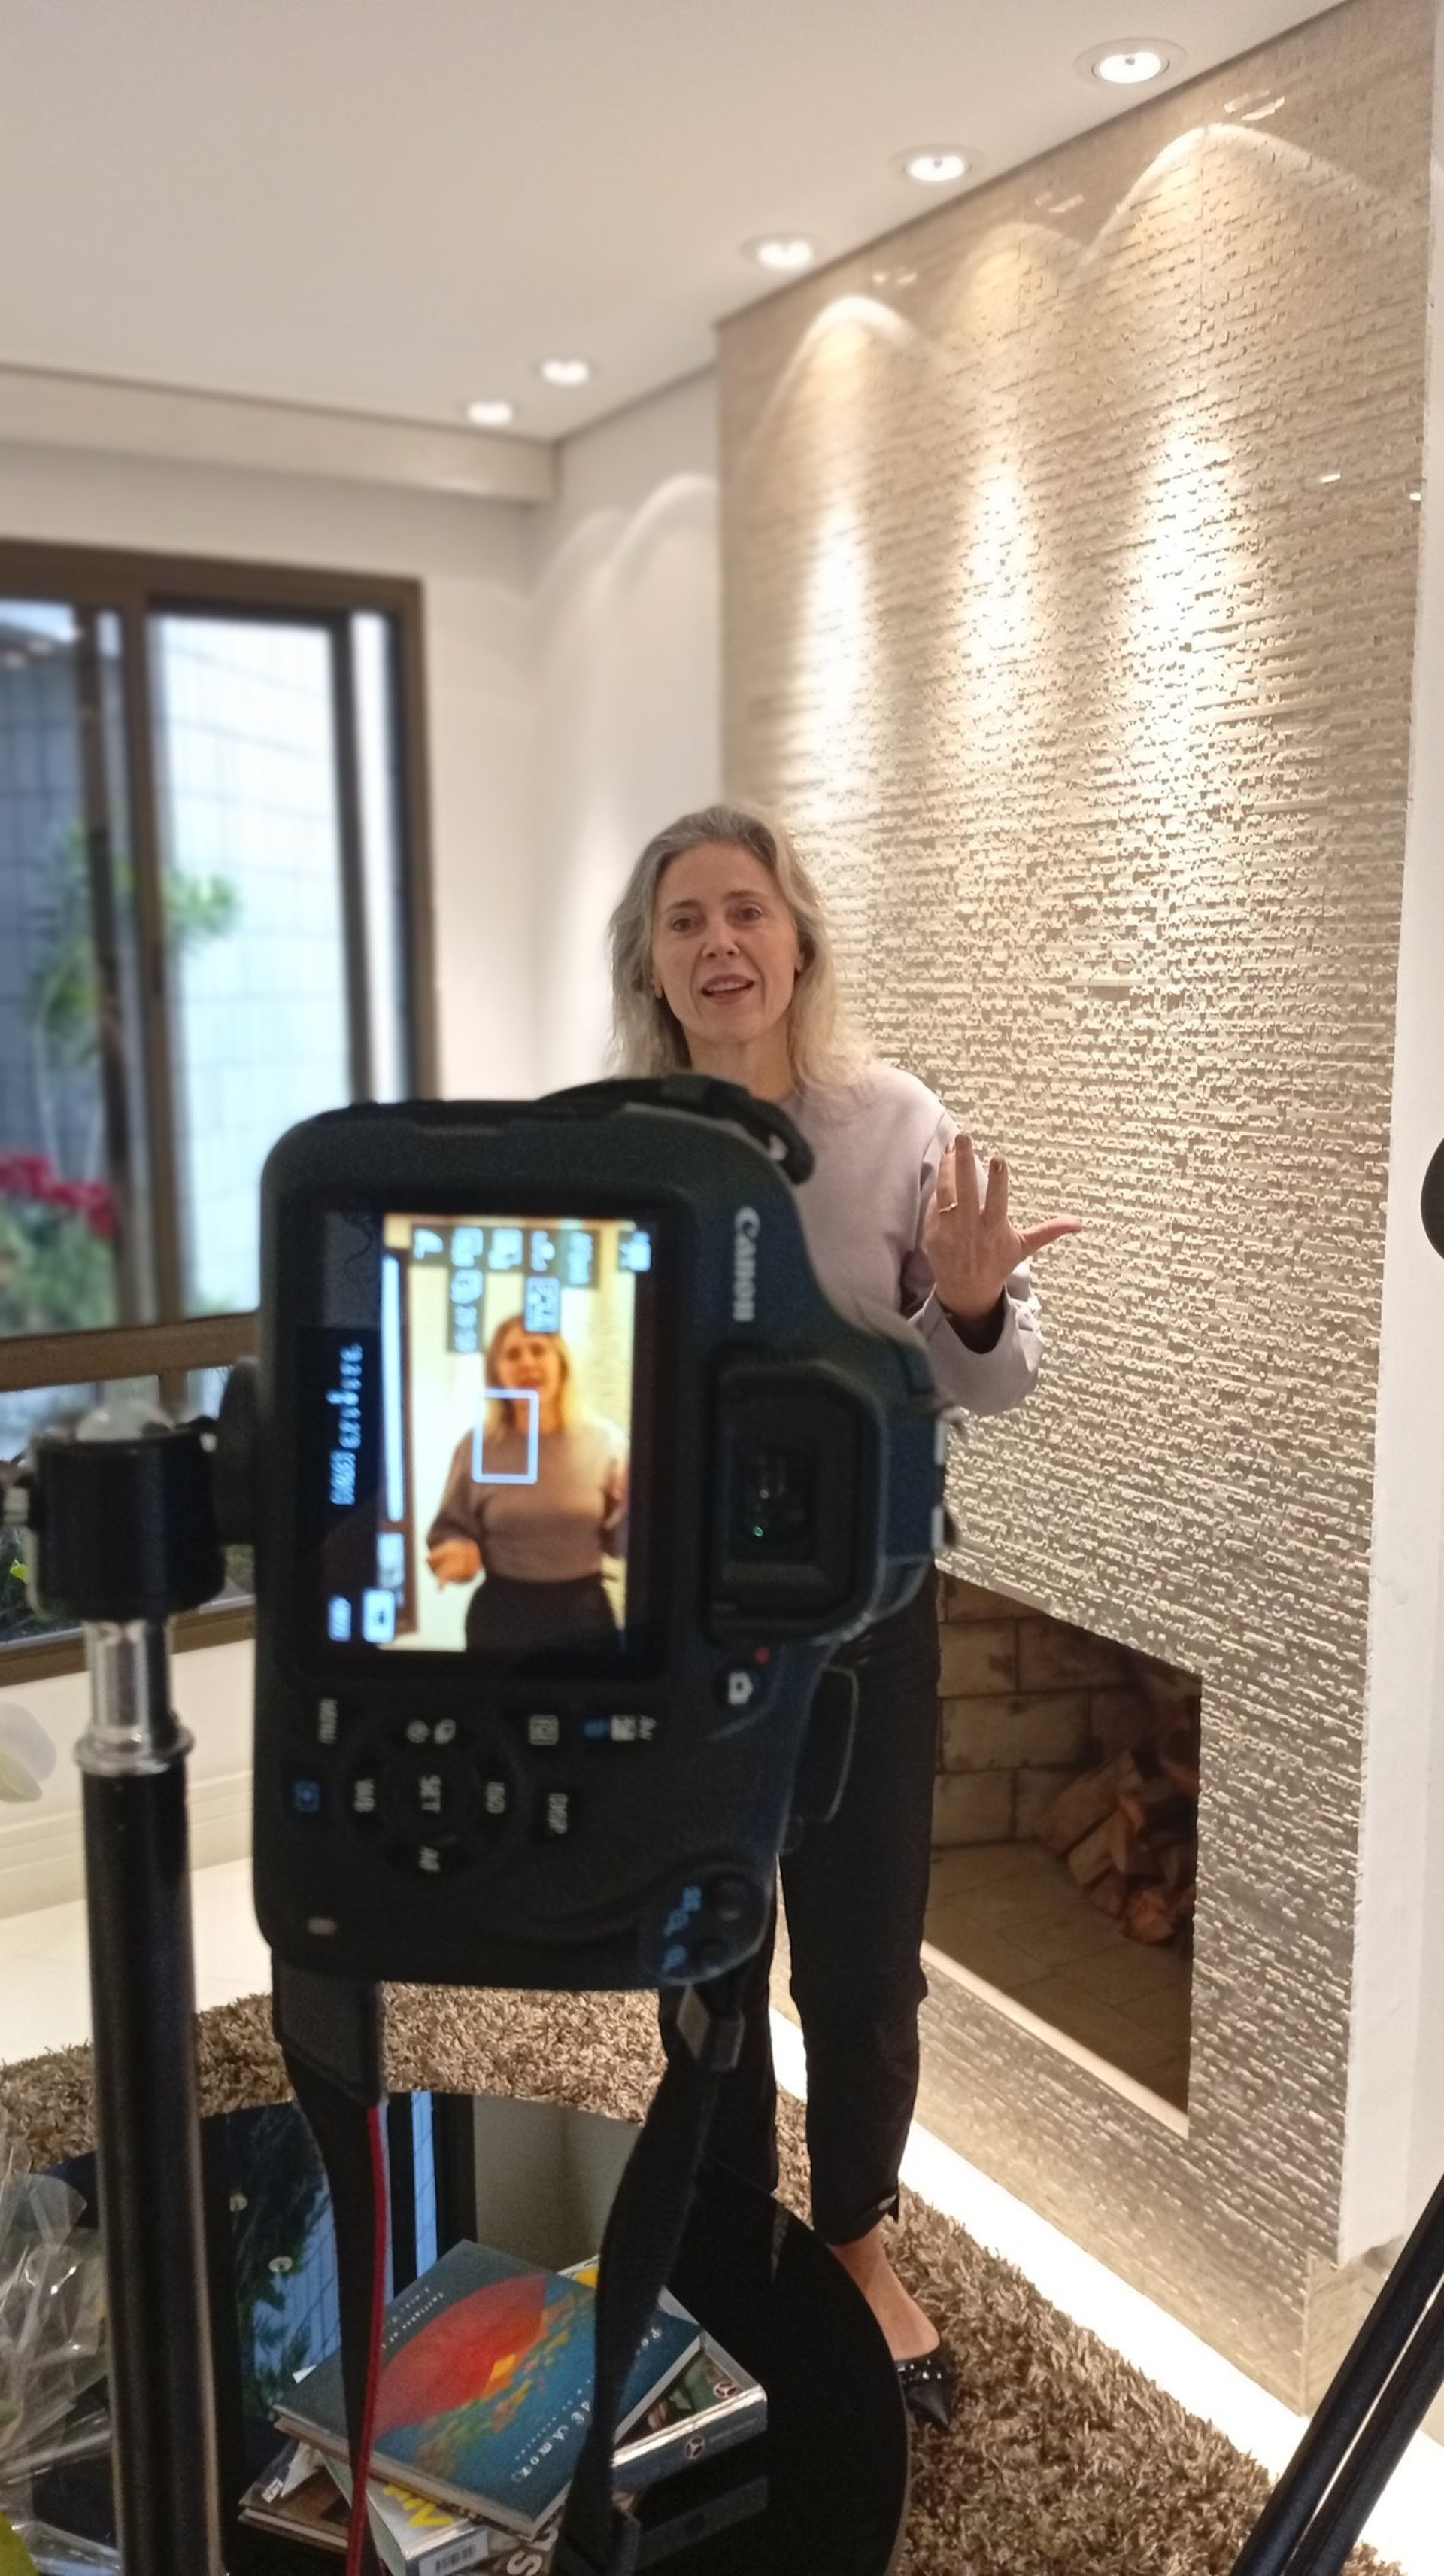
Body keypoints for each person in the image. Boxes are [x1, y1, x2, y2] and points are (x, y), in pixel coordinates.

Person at [607, 802, 1080, 2429]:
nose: (721, 942)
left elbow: (999, 1375)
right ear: (655, 962)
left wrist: (967, 1296)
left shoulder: (894, 1124)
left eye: (747, 909)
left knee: (866, 1960)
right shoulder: (620, 1134)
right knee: (711, 1943)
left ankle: (858, 2232)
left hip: (869, 1602)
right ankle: (728, 2221)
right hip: (693, 1614)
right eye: (687, 920)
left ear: (799, 938)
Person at [426, 1314, 629, 1661]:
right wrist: (455, 1552)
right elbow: (449, 1530)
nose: (527, 1363)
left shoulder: (607, 1443)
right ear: (497, 1373)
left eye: (538, 1350)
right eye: (513, 1355)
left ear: (561, 1363)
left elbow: (621, 1547)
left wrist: (633, 1508)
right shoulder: (477, 1446)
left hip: (584, 1617)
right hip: (501, 1618)